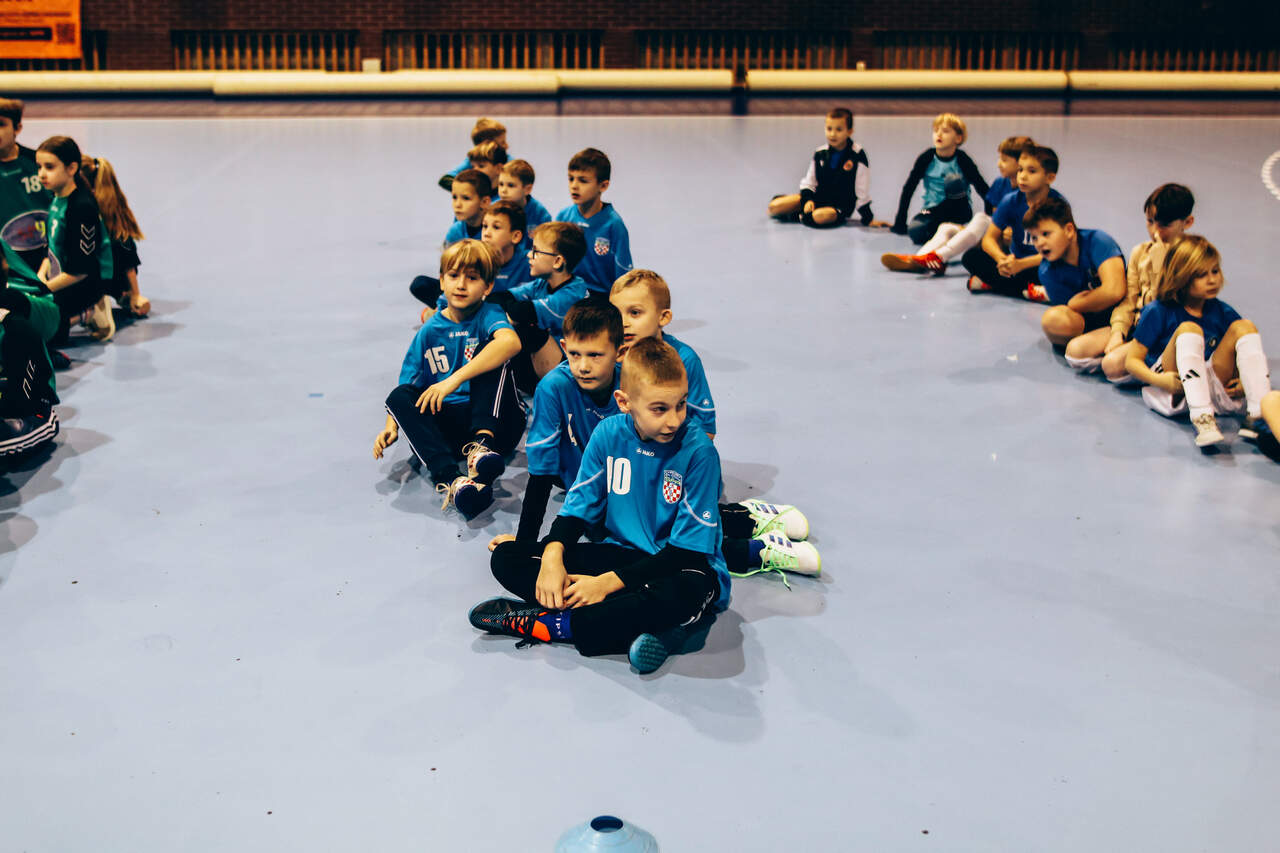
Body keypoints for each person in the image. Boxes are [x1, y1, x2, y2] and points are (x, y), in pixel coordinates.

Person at [488, 300, 818, 579]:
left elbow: (680, 439)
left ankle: (751, 534)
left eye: (595, 355)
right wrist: (526, 543)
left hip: (653, 486)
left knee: (673, 530)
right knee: (629, 545)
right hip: (598, 493)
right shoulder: (553, 389)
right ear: (564, 349)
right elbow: (542, 471)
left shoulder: (639, 382)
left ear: (619, 353)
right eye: (575, 354)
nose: (584, 366)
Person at [472, 337, 730, 674]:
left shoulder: (699, 452)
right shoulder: (608, 434)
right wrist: (552, 556)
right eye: (659, 409)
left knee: (688, 593)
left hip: (679, 567)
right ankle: (631, 625)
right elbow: (577, 508)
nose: (674, 420)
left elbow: (687, 552)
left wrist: (605, 584)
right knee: (507, 557)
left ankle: (553, 624)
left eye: (680, 405)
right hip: (621, 554)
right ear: (624, 402)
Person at [374, 239, 525, 517]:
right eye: (454, 276)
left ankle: (481, 449)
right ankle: (454, 483)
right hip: (453, 431)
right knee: (399, 397)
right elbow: (407, 385)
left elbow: (511, 343)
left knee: (492, 351)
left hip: (498, 424)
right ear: (442, 281)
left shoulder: (489, 314)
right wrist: (391, 426)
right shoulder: (429, 331)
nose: (461, 285)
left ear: (488, 287)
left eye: (472, 278)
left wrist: (452, 380)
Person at [1123, 235, 1271, 449]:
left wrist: (1242, 381)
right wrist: (1159, 380)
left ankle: (1258, 414)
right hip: (1173, 384)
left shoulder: (1220, 310)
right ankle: (1203, 419)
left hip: (1209, 380)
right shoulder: (1158, 310)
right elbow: (1131, 361)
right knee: (1189, 329)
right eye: (1201, 275)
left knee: (1244, 326)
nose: (1212, 280)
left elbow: (1242, 352)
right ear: (1181, 278)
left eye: (1215, 271)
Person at [881, 134, 1031, 275]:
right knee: (946, 228)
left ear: (1020, 163)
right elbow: (995, 216)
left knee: (981, 218)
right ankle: (918, 260)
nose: (999, 164)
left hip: (1011, 243)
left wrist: (1008, 233)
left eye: (1004, 160)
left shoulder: (1028, 190)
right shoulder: (1000, 183)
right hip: (989, 236)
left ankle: (939, 257)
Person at [1099, 184, 1195, 383]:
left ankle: (1155, 367)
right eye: (1150, 222)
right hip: (1137, 327)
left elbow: (1165, 304)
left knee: (1111, 365)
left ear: (1187, 222)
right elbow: (1129, 299)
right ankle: (1134, 363)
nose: (1155, 231)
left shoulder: (1193, 257)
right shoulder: (1140, 252)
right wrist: (1118, 332)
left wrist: (1160, 261)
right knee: (1077, 351)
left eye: (1164, 224)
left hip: (1163, 334)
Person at [609, 269, 715, 439]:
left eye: (635, 313)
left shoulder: (684, 359)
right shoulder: (608, 356)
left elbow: (705, 430)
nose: (623, 323)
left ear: (663, 317)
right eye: (615, 314)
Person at [487, 220, 589, 391]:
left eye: (536, 251)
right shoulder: (541, 284)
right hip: (549, 361)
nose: (529, 255)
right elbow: (498, 298)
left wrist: (513, 315)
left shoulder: (574, 293)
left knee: (527, 331)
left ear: (557, 261)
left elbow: (522, 312)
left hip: (573, 369)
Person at [34, 136, 113, 347]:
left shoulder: (81, 207)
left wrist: (44, 289)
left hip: (85, 284)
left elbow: (81, 270)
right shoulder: (56, 198)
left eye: (49, 167)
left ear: (71, 168)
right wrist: (40, 276)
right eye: (39, 167)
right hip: (60, 277)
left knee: (44, 334)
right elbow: (50, 247)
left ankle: (89, 311)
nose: (41, 174)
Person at [961, 143, 1063, 302]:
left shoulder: (1057, 205)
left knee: (1062, 270)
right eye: (1020, 169)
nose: (1023, 176)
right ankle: (1033, 291)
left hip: (1041, 263)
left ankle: (993, 284)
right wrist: (1001, 259)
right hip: (1014, 263)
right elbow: (989, 239)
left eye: (1032, 171)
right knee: (971, 257)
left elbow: (1058, 251)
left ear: (1049, 178)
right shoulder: (1010, 201)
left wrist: (1022, 264)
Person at [1025, 197, 1126, 354]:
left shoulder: (1098, 241)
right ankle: (1104, 343)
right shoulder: (1046, 272)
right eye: (1034, 237)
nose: (1040, 243)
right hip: (1093, 324)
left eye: (1046, 234)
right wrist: (1089, 300)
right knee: (1052, 320)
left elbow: (1115, 291)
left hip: (1126, 312)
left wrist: (1078, 302)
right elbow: (1071, 314)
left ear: (1069, 230)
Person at [767, 107, 887, 228]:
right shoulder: (820, 153)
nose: (833, 134)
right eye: (829, 129)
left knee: (821, 216)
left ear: (849, 131)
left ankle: (800, 216)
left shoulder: (857, 155)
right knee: (774, 207)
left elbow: (861, 191)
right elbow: (809, 182)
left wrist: (868, 218)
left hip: (839, 206)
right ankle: (802, 213)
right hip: (818, 199)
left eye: (839, 129)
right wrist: (808, 200)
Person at [889, 113, 990, 245]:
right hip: (931, 211)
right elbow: (909, 188)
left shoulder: (962, 160)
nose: (939, 135)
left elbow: (982, 188)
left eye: (945, 131)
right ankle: (949, 231)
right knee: (915, 229)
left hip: (960, 210)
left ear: (958, 138)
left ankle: (951, 228)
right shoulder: (926, 158)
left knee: (953, 180)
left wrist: (990, 221)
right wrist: (900, 222)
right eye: (936, 131)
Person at [81, 155, 150, 320]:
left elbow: (127, 254)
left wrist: (136, 294)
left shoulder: (99, 208)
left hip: (105, 276)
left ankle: (105, 299)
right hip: (108, 276)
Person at [554, 148, 632, 293]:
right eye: (571, 179)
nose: (574, 186)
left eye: (583, 180)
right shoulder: (563, 218)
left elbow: (624, 277)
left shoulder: (614, 225)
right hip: (568, 294)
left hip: (600, 298)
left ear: (603, 185)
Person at [437, 117, 506, 191]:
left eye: (481, 166)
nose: (506, 145)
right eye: (502, 142)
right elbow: (445, 179)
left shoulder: (509, 161)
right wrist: (471, 191)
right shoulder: (472, 161)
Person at [497, 159, 550, 238]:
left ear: (527, 189)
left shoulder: (540, 214)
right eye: (501, 184)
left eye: (510, 185)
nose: (503, 190)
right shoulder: (493, 210)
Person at [441, 169, 491, 247]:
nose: (457, 204)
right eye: (454, 197)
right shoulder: (455, 232)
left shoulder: (493, 232)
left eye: (466, 198)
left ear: (484, 202)